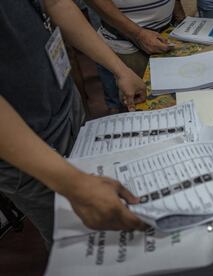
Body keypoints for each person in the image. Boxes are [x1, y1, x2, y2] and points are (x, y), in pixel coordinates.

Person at [0, 0, 148, 247]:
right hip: (26, 146)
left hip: (66, 105)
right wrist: (73, 183)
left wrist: (119, 69)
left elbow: (56, 3)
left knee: (114, 216)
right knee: (79, 243)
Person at [85, 0, 186, 114]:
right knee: (140, 107)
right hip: (126, 41)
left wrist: (178, 13)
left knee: (171, 101)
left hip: (166, 32)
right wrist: (138, 34)